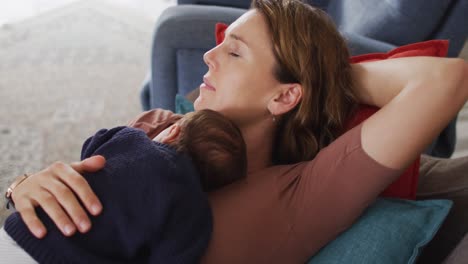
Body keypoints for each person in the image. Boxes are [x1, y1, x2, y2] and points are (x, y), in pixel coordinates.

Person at [5, 0, 468, 263]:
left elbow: (445, 81)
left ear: (286, 96)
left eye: (235, 52)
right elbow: (81, 202)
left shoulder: (302, 193)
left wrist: (324, 76)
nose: (209, 56)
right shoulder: (161, 125)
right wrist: (26, 185)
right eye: (218, 45)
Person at [1, 109, 247, 263]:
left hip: (24, 230)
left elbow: (92, 146)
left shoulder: (134, 138)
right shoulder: (195, 211)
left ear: (172, 131)